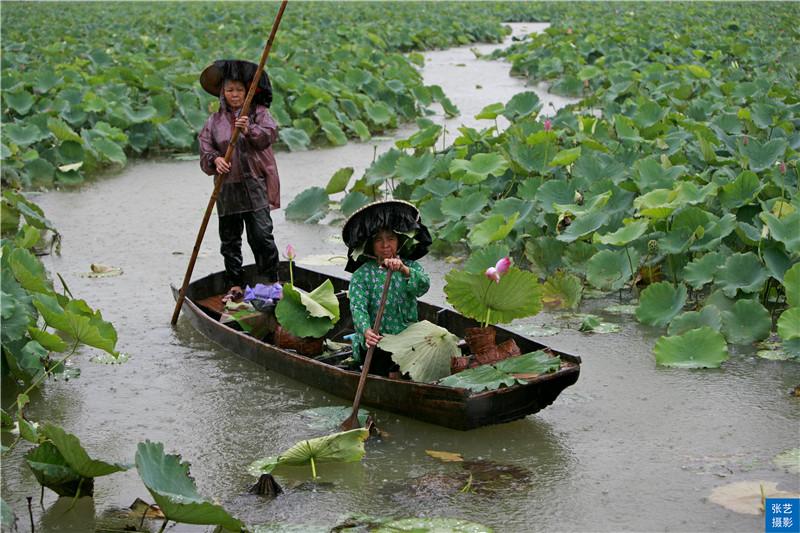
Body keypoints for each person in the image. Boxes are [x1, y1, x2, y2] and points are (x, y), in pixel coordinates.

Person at [198, 59, 281, 300]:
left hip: (254, 183)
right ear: (223, 93)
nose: (235, 95)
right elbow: (205, 149)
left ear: (247, 92)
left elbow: (268, 136)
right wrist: (215, 161)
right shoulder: (214, 121)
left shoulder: (258, 114)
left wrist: (249, 130)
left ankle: (270, 281)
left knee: (262, 235)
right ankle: (235, 283)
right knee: (230, 240)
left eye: (239, 90)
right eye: (230, 90)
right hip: (227, 188)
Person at [342, 201, 433, 376]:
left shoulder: (410, 266)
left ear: (398, 241)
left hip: (407, 336)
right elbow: (358, 308)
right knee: (383, 356)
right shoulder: (362, 275)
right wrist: (367, 332)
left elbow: (423, 286)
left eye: (390, 239)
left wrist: (403, 270)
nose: (385, 246)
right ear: (371, 245)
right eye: (379, 240)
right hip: (378, 339)